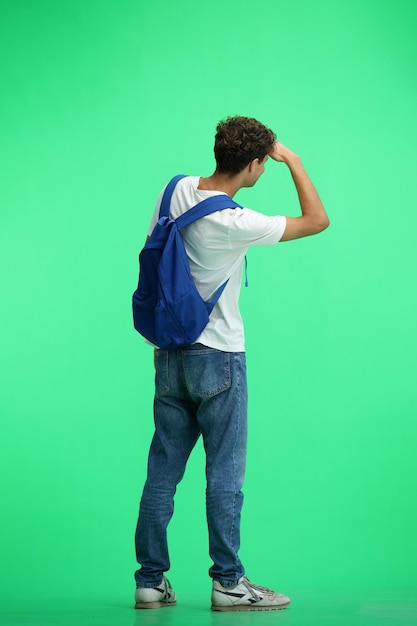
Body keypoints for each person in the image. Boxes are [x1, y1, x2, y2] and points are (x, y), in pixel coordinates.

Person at [133, 116, 329, 611]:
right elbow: (316, 220)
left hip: (169, 353)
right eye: (265, 162)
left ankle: (150, 581)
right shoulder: (238, 222)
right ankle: (227, 583)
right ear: (255, 164)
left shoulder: (174, 189)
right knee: (224, 474)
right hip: (218, 357)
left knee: (162, 472)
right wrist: (297, 163)